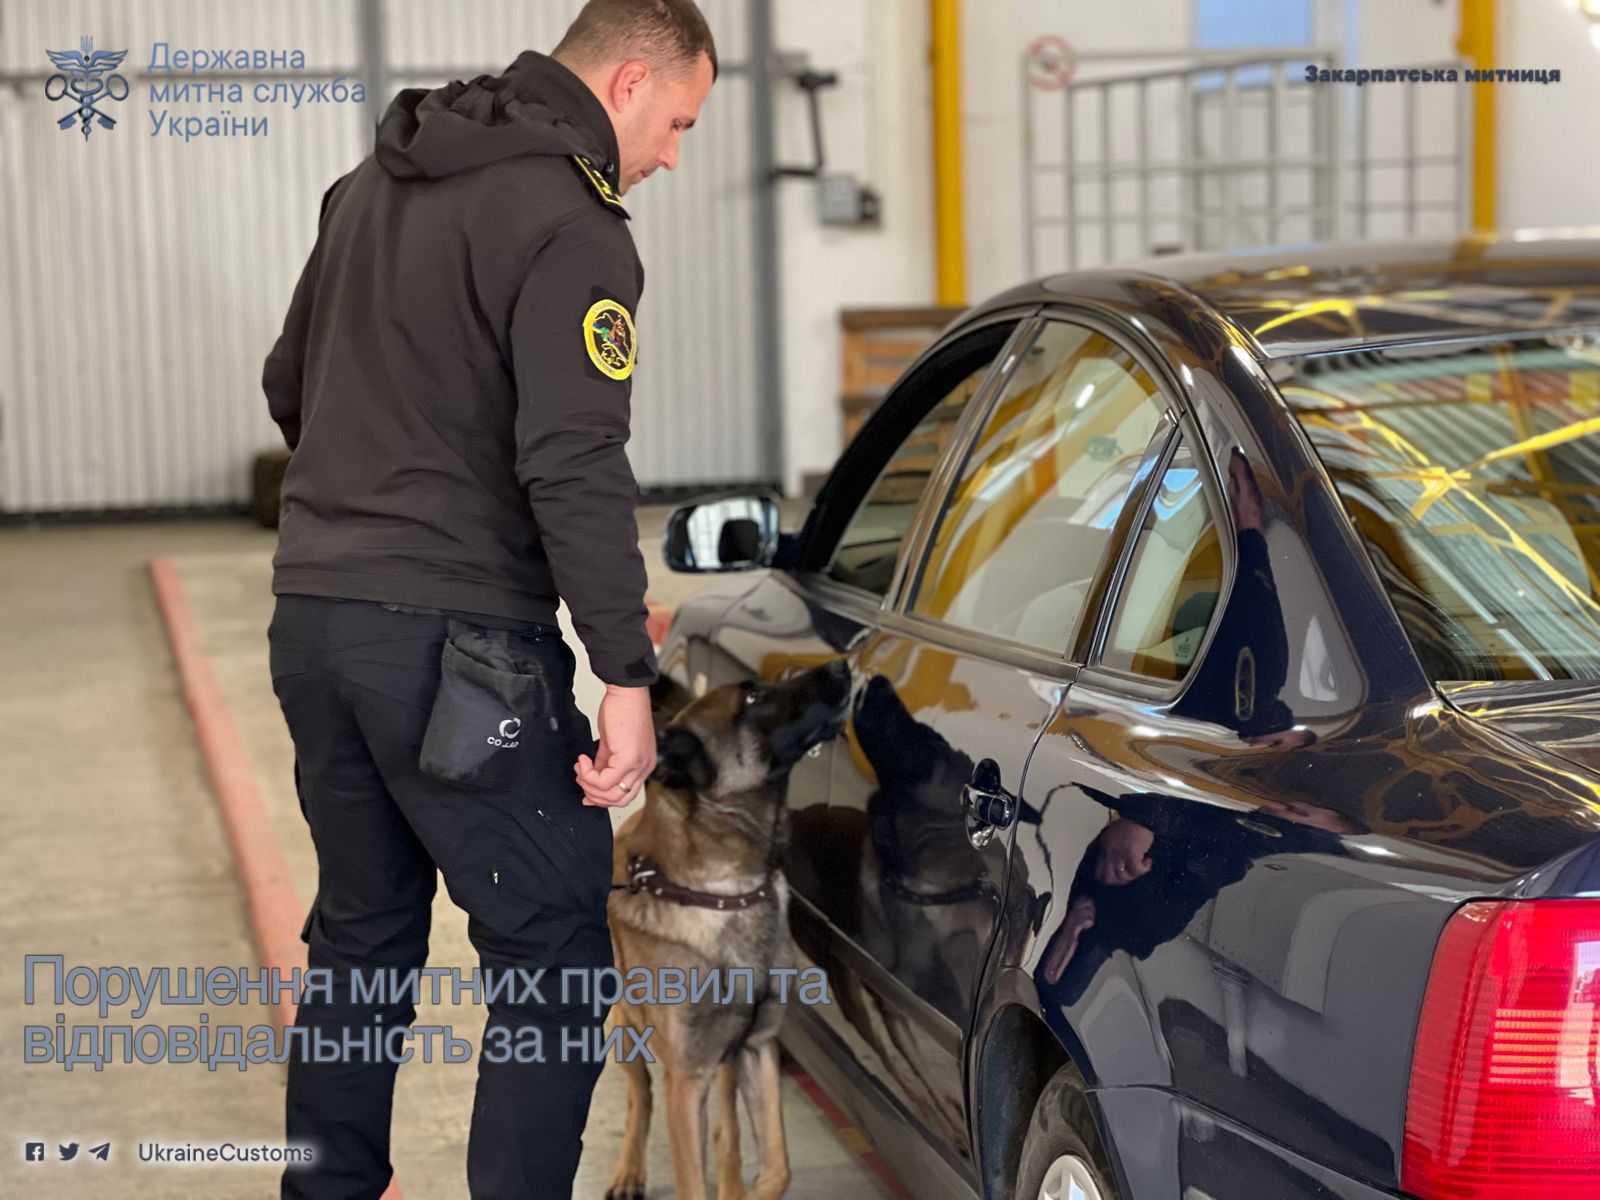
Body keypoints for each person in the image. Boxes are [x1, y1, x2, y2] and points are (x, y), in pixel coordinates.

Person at [257, 2, 716, 1196]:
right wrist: (625, 674)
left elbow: (289, 383)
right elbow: (572, 461)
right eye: (678, 123)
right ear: (628, 82)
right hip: (456, 650)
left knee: (360, 934)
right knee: (552, 954)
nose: (673, 155)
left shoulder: (370, 184)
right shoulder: (571, 221)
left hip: (314, 623)